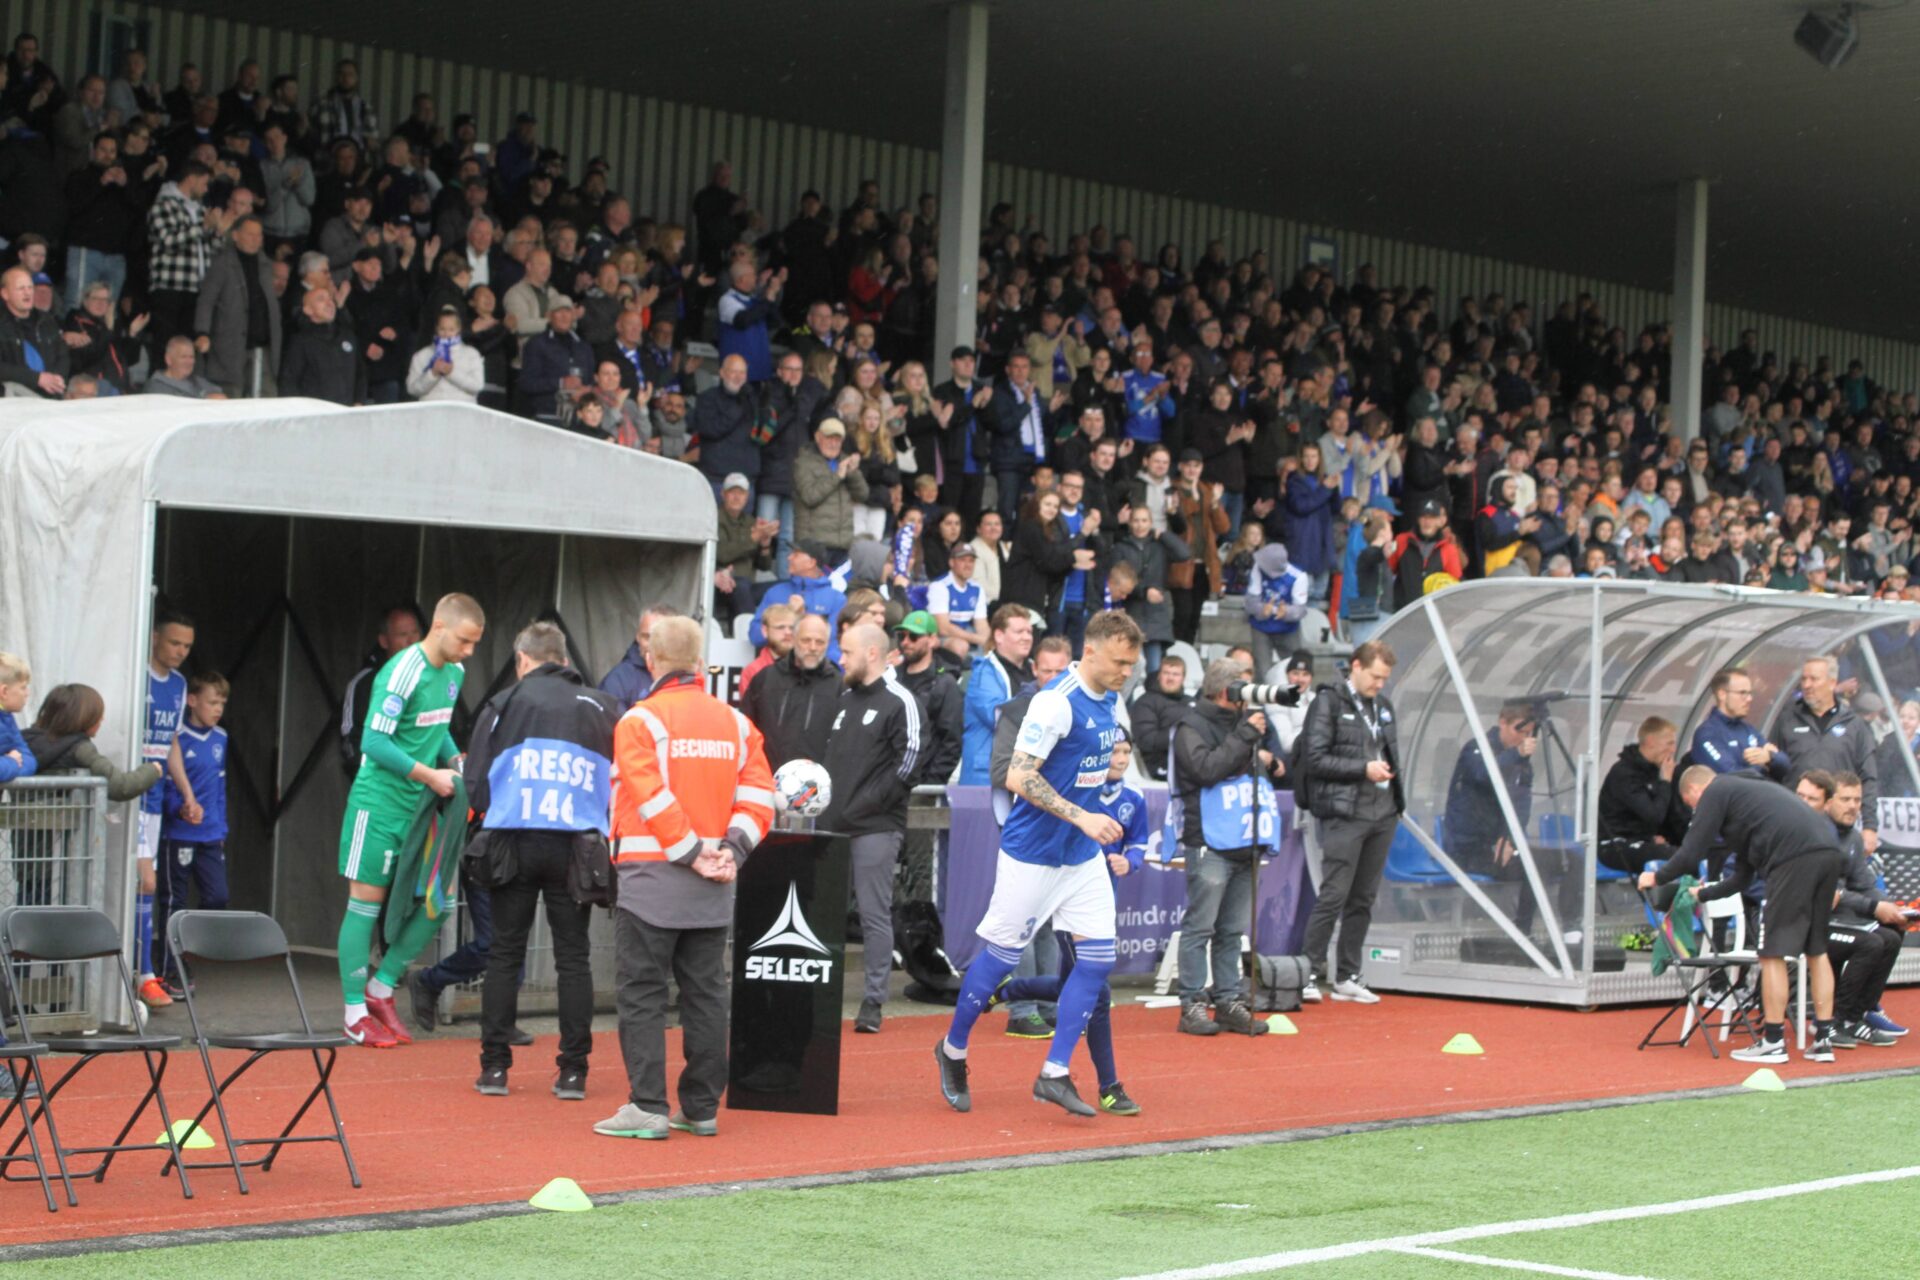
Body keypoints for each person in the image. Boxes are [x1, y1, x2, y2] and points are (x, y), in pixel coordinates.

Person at [935, 609, 1144, 1116]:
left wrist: (1091, 824)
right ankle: (952, 1049)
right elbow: (1018, 777)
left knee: (1096, 962)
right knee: (999, 960)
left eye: (1132, 664)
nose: (1126, 673)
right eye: (1118, 662)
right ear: (1089, 652)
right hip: (1033, 855)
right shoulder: (1055, 704)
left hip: (1080, 858)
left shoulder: (1109, 697)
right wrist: (1083, 817)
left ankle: (1053, 1072)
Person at [597, 617, 774, 1140]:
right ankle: (700, 1107)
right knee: (706, 994)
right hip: (716, 879)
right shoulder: (736, 723)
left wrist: (692, 852)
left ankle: (648, 1106)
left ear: (650, 659)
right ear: (700, 664)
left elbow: (650, 797)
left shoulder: (640, 721)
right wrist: (729, 850)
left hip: (653, 877)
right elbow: (759, 795)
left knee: (643, 993)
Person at [458, 622, 622, 1099]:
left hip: (513, 842)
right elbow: (621, 779)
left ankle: (494, 1069)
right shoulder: (602, 706)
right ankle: (573, 1072)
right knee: (574, 957)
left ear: (523, 661)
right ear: (564, 660)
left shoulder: (503, 703)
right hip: (578, 846)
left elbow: (478, 786)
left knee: (506, 953)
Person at [336, 593, 485, 1048]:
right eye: (464, 641)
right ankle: (353, 1010)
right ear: (439, 627)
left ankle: (382, 987)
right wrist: (430, 775)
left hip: (422, 807)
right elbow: (374, 743)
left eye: (476, 643)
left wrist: (455, 762)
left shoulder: (454, 673)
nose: (469, 652)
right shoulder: (401, 670)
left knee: (436, 902)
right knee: (365, 904)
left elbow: (436, 729)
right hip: (378, 804)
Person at [985, 730, 1148, 1116]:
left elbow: (1140, 841)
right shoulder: (1074, 794)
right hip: (1071, 904)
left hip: (1101, 904)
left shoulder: (1133, 797)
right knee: (1099, 994)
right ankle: (1109, 1087)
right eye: (1114, 753)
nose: (1120, 760)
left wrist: (1131, 861)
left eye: (1126, 753)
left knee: (1069, 986)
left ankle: (1006, 991)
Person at [1640, 769, 1848, 1064]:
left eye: (1691, 804)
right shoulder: (1751, 800)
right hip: (1827, 851)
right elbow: (1741, 878)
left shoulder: (1716, 790)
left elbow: (1690, 853)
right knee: (1816, 950)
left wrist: (1656, 877)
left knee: (1772, 953)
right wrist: (1703, 895)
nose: (1696, 812)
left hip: (1792, 858)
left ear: (1697, 790)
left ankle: (1773, 1041)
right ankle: (1824, 1040)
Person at [822, 623, 924, 1033]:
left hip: (875, 827)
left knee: (872, 915)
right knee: (823, 914)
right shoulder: (845, 699)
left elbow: (911, 759)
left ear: (870, 653)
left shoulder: (900, 700)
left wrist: (869, 802)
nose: (839, 658)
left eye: (845, 651)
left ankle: (873, 1002)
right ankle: (821, 992)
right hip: (832, 824)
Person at [1168, 659, 1278, 1037]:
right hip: (1208, 840)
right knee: (1200, 927)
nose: (1247, 696)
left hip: (1243, 840)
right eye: (1242, 689)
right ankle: (1193, 1005)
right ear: (1223, 690)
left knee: (1232, 930)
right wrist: (1245, 735)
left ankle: (1229, 1000)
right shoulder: (1190, 725)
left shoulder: (1243, 724)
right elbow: (1205, 770)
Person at [1296, 641, 1402, 1004]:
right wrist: (1362, 769)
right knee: (1334, 894)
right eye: (1375, 676)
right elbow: (1314, 759)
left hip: (1382, 810)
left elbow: (1390, 752)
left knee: (1364, 897)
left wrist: (1394, 796)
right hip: (1345, 812)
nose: (1379, 684)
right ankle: (1307, 972)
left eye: (1384, 678)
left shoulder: (1383, 707)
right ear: (1355, 666)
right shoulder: (1327, 702)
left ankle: (1347, 974)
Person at [986, 636, 1075, 1037]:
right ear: (1034, 671)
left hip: (1066, 830)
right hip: (1024, 828)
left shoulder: (1081, 709)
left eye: (1061, 670)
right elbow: (1002, 770)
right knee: (1023, 922)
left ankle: (1045, 1002)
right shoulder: (1016, 711)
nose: (1053, 677)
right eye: (1047, 670)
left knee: (1054, 921)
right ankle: (1021, 1009)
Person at [1797, 771, 1909, 1049]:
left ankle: (1856, 1016)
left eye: (1857, 800)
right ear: (1829, 801)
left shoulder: (1854, 839)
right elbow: (1828, 893)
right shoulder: (1816, 834)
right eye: (1845, 799)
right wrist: (1873, 906)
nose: (1852, 806)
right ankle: (1836, 1019)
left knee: (1893, 933)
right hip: (1808, 925)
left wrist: (1890, 907)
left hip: (1840, 920)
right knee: (1871, 943)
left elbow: (1864, 884)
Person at [136, 611, 203, 1007]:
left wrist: (187, 794)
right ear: (155, 637)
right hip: (130, 797)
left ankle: (143, 972)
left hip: (157, 799)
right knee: (144, 883)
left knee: (147, 884)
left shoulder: (178, 685)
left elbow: (171, 742)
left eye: (187, 646)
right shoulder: (135, 675)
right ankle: (144, 973)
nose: (180, 651)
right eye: (175, 642)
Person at [154, 671, 231, 997]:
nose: (218, 709)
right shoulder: (177, 737)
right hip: (179, 833)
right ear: (192, 700)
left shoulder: (221, 738)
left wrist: (222, 826)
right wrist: (179, 808)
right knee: (175, 899)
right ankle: (171, 965)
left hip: (210, 833)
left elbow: (220, 786)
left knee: (217, 895)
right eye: (213, 702)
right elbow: (165, 784)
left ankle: (185, 948)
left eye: (223, 703)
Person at [1769, 655, 1880, 853]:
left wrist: (1870, 827)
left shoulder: (1854, 725)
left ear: (1832, 683)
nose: (1807, 685)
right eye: (1804, 679)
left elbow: (1868, 778)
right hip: (1793, 825)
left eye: (1814, 679)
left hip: (1838, 830)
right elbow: (1771, 772)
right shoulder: (1786, 719)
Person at [193, 213, 281, 397]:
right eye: (250, 234)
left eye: (259, 235)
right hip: (230, 347)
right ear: (235, 235)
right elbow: (206, 300)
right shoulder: (222, 263)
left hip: (262, 348)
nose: (255, 240)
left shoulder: (265, 264)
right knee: (231, 399)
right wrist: (202, 332)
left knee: (266, 399)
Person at [742, 612, 840, 770]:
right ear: (794, 639)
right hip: (766, 780)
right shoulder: (766, 679)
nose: (813, 647)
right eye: (806, 640)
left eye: (820, 642)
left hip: (817, 788)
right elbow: (746, 729)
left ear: (828, 644)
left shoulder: (838, 686)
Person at [338, 604, 426, 778]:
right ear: (384, 641)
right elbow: (351, 740)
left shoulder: (431, 678)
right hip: (379, 784)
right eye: (402, 635)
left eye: (415, 633)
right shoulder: (364, 684)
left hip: (424, 783)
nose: (411, 641)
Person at [1596, 717, 1683, 876]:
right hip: (1614, 845)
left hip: (1643, 841)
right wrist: (1665, 782)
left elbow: (1670, 815)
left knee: (1695, 853)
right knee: (1678, 858)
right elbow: (1653, 815)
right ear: (1651, 741)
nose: (1673, 749)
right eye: (1669, 743)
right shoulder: (1624, 773)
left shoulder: (1655, 771)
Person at [960, 604, 1033, 785]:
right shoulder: (983, 673)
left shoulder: (1036, 669)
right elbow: (998, 717)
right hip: (986, 777)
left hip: (1021, 772)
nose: (1026, 637)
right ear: (999, 636)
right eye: (1019, 632)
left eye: (1029, 632)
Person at [892, 611, 963, 788]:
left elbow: (951, 742)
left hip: (922, 786)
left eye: (914, 636)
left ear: (932, 640)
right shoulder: (892, 678)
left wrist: (931, 784)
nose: (905, 642)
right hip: (888, 785)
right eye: (902, 636)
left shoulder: (946, 684)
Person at [749, 540, 848, 656]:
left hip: (817, 668)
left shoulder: (836, 599)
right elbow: (755, 636)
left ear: (811, 562)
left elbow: (834, 645)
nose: (789, 558)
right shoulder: (775, 592)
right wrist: (785, 614)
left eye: (795, 554)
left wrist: (803, 616)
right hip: (778, 667)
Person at [1691, 667, 1785, 778]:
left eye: (1750, 693)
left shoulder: (1748, 729)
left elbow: (1785, 765)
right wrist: (1762, 765)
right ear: (1722, 694)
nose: (1749, 699)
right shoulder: (1707, 733)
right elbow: (1731, 775)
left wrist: (1770, 757)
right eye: (1742, 693)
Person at [1243, 543, 1309, 683]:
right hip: (1261, 626)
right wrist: (1261, 609)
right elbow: (1250, 601)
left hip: (1288, 629)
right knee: (1262, 669)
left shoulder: (1298, 576)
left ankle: (1294, 698)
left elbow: (1301, 609)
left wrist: (1287, 612)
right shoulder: (1258, 569)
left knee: (1294, 667)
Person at [598, 604, 680, 708]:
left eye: (660, 638)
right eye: (646, 637)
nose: (652, 644)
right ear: (638, 637)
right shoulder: (619, 680)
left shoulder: (689, 676)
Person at [1129, 655, 1191, 783]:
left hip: (1193, 761)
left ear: (1183, 678)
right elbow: (1147, 741)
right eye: (1166, 673)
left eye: (1175, 674)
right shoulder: (1145, 703)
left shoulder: (1192, 702)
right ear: (1159, 676)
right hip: (1162, 764)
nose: (1170, 678)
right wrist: (1182, 733)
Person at [926, 542, 988, 657]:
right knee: (960, 646)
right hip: (938, 638)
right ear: (951, 562)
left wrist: (988, 641)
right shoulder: (940, 586)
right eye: (963, 560)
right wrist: (978, 639)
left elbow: (982, 625)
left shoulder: (977, 589)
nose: (968, 565)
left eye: (971, 561)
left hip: (966, 636)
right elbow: (943, 628)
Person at [739, 602, 795, 696]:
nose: (788, 632)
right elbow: (749, 709)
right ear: (765, 631)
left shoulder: (808, 668)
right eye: (780, 627)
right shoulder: (753, 671)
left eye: (792, 628)